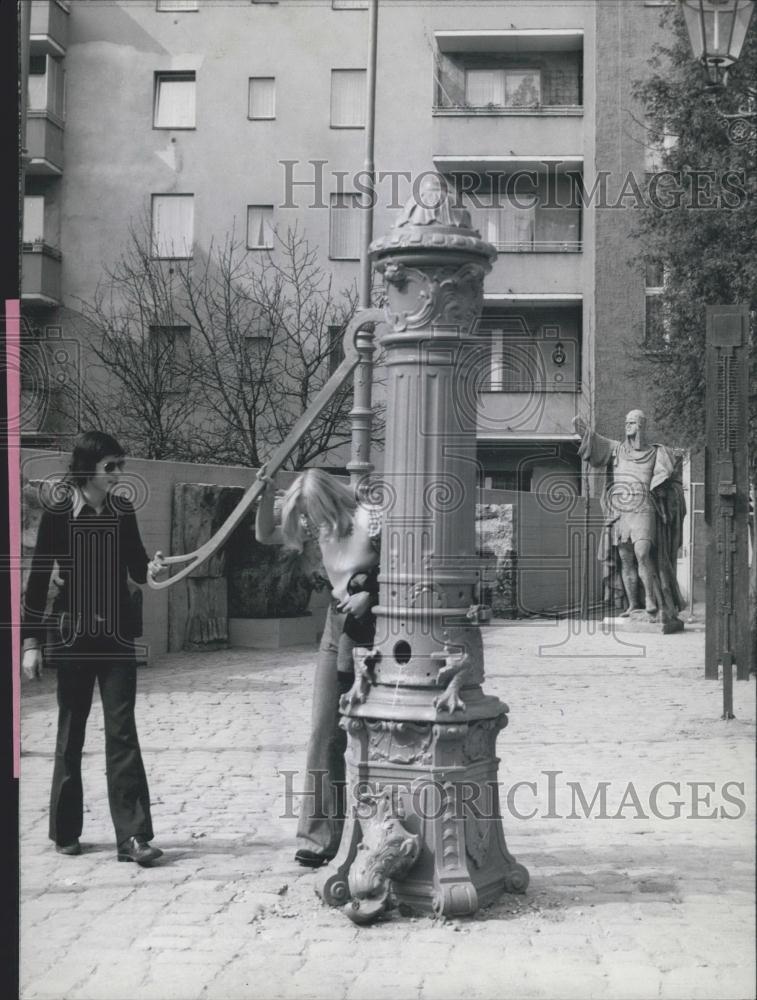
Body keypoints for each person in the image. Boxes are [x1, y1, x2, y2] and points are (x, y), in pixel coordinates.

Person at [22, 431, 168, 866]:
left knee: (123, 731)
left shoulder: (123, 510)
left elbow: (137, 568)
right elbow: (37, 579)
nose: (119, 474)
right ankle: (65, 830)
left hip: (117, 635)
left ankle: (133, 837)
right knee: (72, 731)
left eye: (121, 465)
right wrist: (30, 642)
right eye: (111, 467)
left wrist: (154, 567)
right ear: (88, 468)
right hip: (73, 636)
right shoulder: (58, 513)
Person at [255, 468, 381, 868]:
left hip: (376, 626)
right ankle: (318, 837)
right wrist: (266, 495)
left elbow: (404, 565)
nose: (307, 522)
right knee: (323, 731)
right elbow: (265, 535)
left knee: (378, 732)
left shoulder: (369, 518)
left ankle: (380, 829)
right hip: (337, 623)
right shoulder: (319, 528)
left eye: (309, 512)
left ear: (327, 501)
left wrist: (371, 596)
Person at [573, 409, 686, 622]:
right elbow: (593, 442)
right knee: (625, 560)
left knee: (642, 553)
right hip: (620, 510)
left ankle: (650, 599)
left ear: (641, 425)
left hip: (644, 507)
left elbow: (671, 480)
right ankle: (633, 604)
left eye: (632, 422)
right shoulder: (617, 450)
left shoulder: (657, 452)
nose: (627, 425)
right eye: (626, 422)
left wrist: (666, 493)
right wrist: (581, 427)